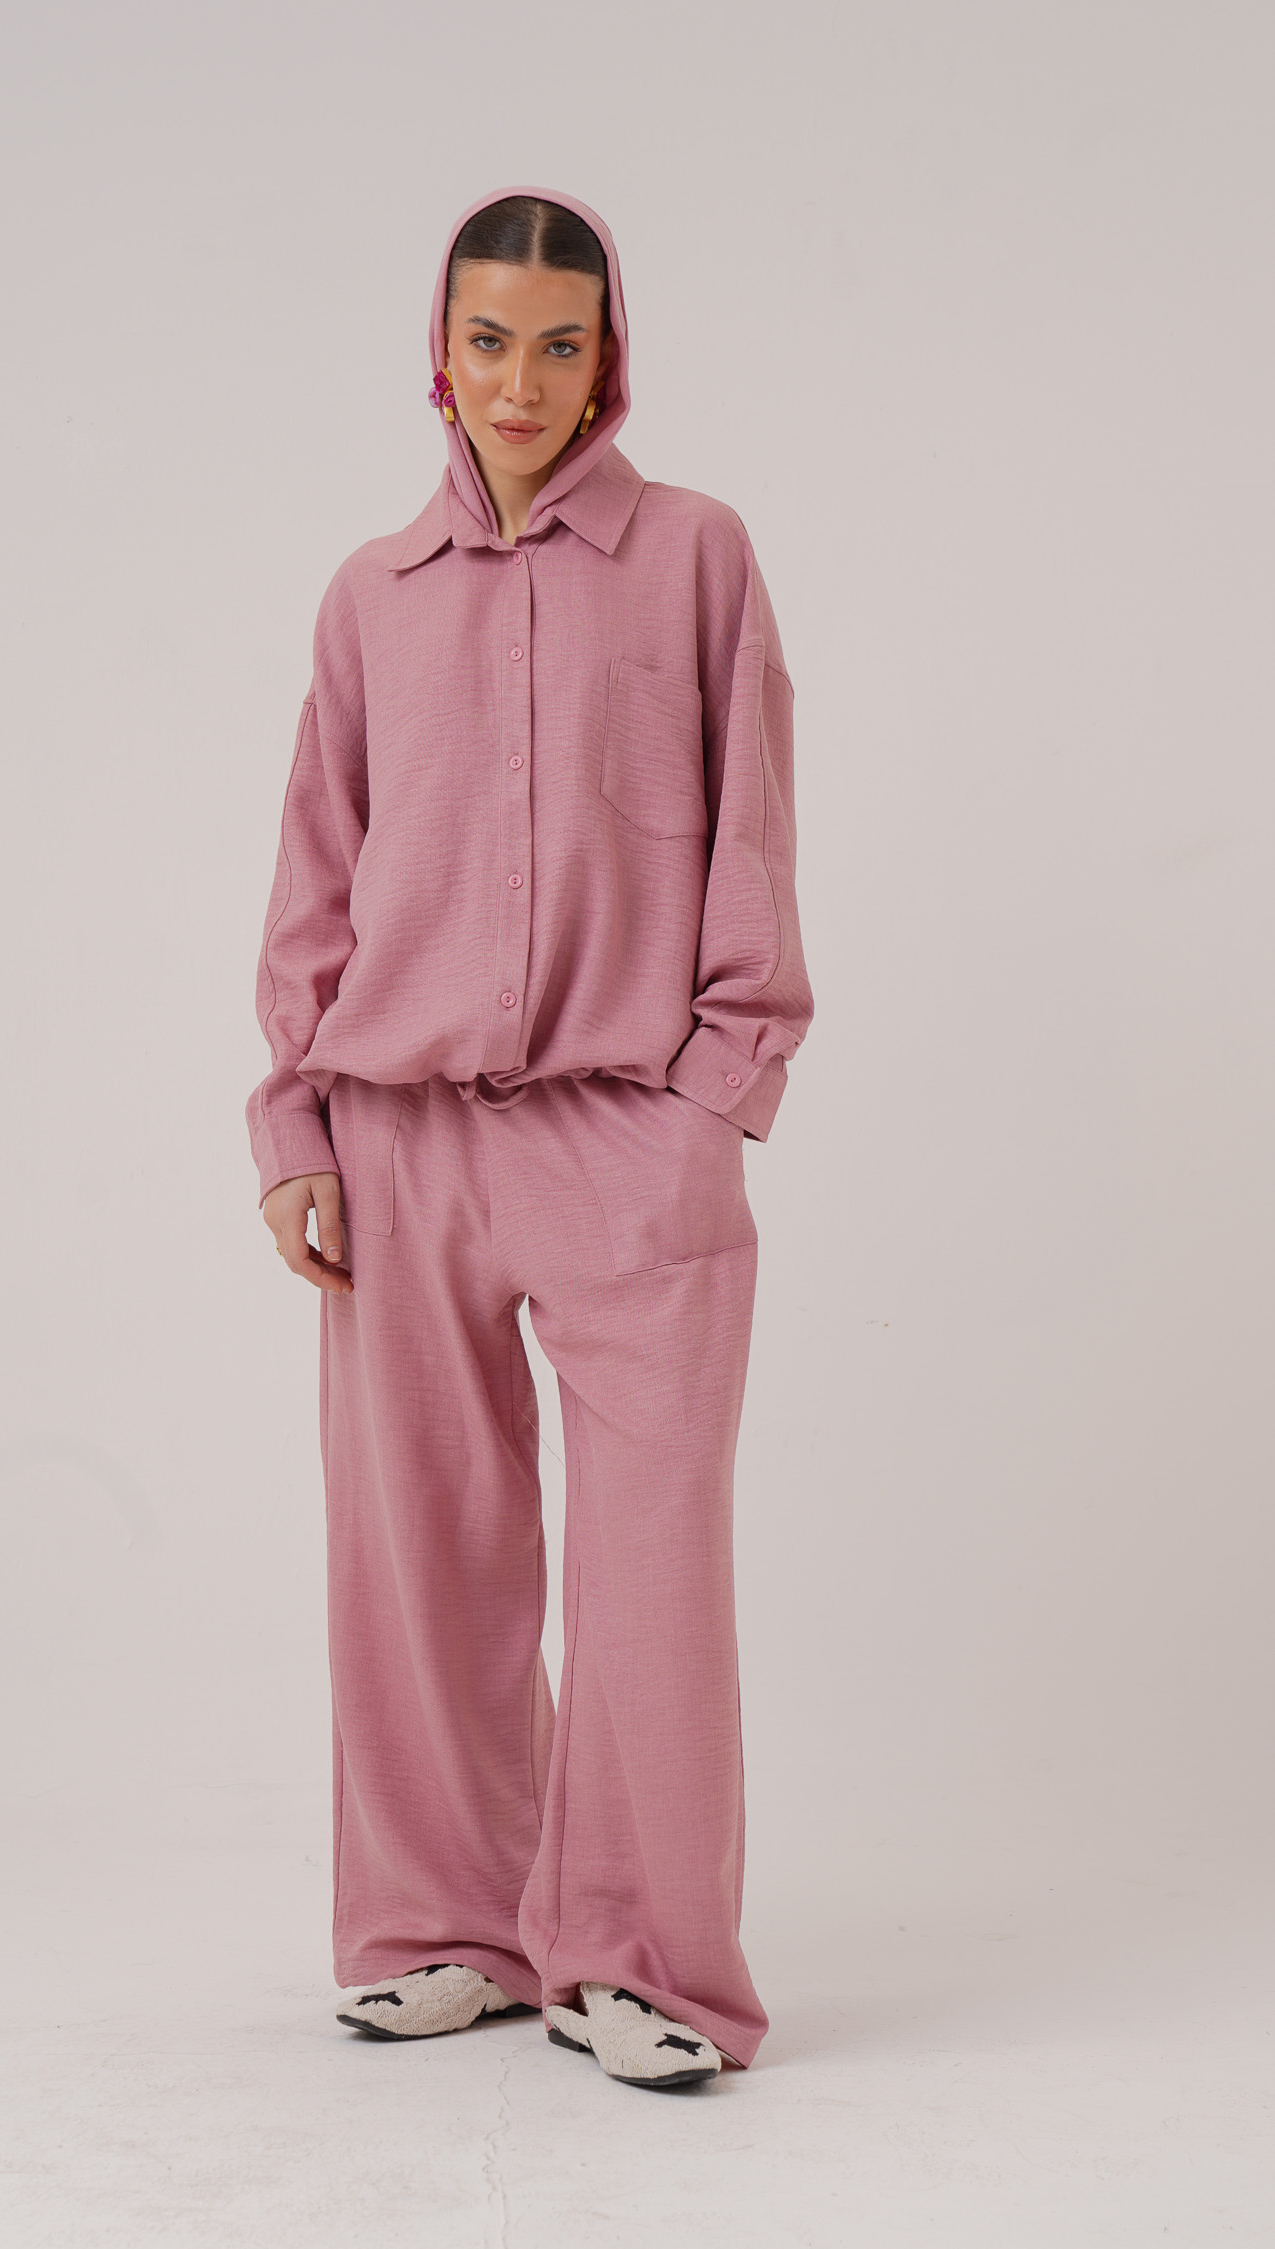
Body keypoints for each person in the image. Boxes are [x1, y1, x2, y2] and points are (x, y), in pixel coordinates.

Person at [246, 186, 814, 2091]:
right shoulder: (370, 594)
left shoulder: (696, 556)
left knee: (653, 1565)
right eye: (488, 340)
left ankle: (645, 1958)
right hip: (399, 1136)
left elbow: (754, 831)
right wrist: (295, 1118)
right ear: (440, 350)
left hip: (630, 1134)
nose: (520, 382)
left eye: (559, 346)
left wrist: (719, 1093)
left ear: (608, 357)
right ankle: (445, 1926)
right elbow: (315, 870)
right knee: (419, 1551)